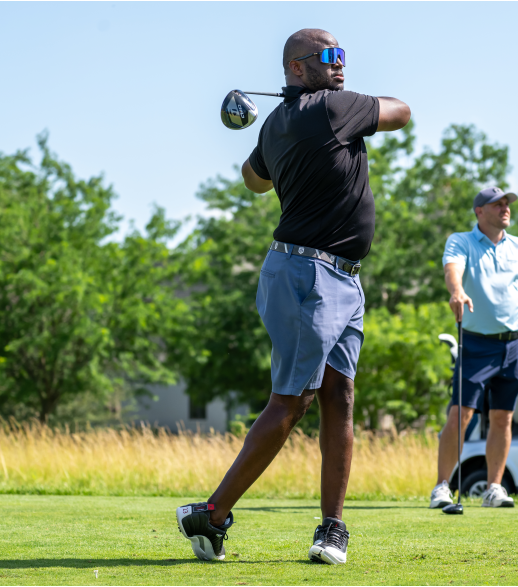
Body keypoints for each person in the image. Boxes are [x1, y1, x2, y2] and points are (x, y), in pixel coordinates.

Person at [176, 28, 411, 565]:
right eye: (329, 57)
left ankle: (332, 528)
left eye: (343, 56)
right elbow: (402, 112)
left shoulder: (281, 121)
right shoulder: (333, 108)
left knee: (339, 396)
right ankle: (211, 514)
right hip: (309, 275)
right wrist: (305, 111)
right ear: (298, 67)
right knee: (294, 399)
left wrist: (276, 124)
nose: (341, 63)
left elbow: (253, 180)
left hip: (342, 278)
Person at [430, 187, 518, 509]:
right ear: (479, 211)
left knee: (503, 417)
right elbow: (452, 269)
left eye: (507, 204)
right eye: (497, 204)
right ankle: (442, 487)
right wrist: (457, 291)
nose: (505, 208)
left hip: (515, 345)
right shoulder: (461, 241)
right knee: (461, 415)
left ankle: (493, 488)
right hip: (476, 343)